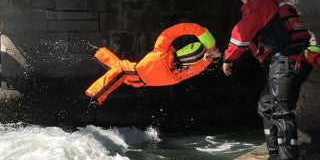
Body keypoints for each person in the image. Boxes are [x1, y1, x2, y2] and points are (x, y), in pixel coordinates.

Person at [222, 0, 312, 160]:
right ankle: (276, 158)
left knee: (282, 113)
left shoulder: (260, 4)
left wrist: (228, 58)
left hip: (285, 61)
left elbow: (241, 35)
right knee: (266, 107)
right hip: (289, 60)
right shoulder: (274, 0)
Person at [86, 22, 221, 104]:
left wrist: (199, 31)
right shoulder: (177, 75)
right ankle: (97, 52)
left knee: (120, 70)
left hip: (135, 74)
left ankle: (95, 94)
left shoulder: (162, 51)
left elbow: (174, 31)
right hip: (138, 79)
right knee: (119, 66)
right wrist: (207, 59)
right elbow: (196, 69)